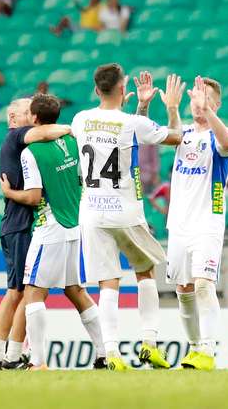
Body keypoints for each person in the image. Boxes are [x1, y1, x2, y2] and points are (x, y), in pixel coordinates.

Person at [70, 66, 184, 370]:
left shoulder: (80, 120)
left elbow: (116, 134)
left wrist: (142, 107)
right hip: (126, 210)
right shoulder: (131, 122)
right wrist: (170, 109)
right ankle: (148, 343)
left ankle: (111, 353)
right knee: (145, 271)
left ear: (96, 90)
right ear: (123, 89)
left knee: (108, 282)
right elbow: (175, 137)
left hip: (91, 211)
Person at [0, 94, 106, 370]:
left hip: (50, 226)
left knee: (32, 292)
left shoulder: (30, 152)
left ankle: (37, 361)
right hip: (74, 225)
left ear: (34, 119)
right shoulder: (71, 141)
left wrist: (9, 192)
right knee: (75, 290)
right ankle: (105, 353)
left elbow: (34, 196)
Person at [0, 98, 73, 370]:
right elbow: (46, 131)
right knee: (23, 292)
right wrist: (72, 128)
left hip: (15, 225)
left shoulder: (16, 144)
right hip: (22, 225)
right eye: (28, 112)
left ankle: (4, 354)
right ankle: (7, 354)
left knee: (19, 291)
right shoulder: (17, 136)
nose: (34, 116)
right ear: (14, 118)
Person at [166, 76, 228, 370]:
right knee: (184, 289)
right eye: (195, 97)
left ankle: (207, 349)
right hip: (178, 225)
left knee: (204, 285)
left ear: (216, 104)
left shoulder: (221, 134)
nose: (197, 102)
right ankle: (194, 348)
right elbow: (165, 135)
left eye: (204, 97)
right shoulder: (183, 134)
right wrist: (172, 108)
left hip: (207, 223)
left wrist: (208, 113)